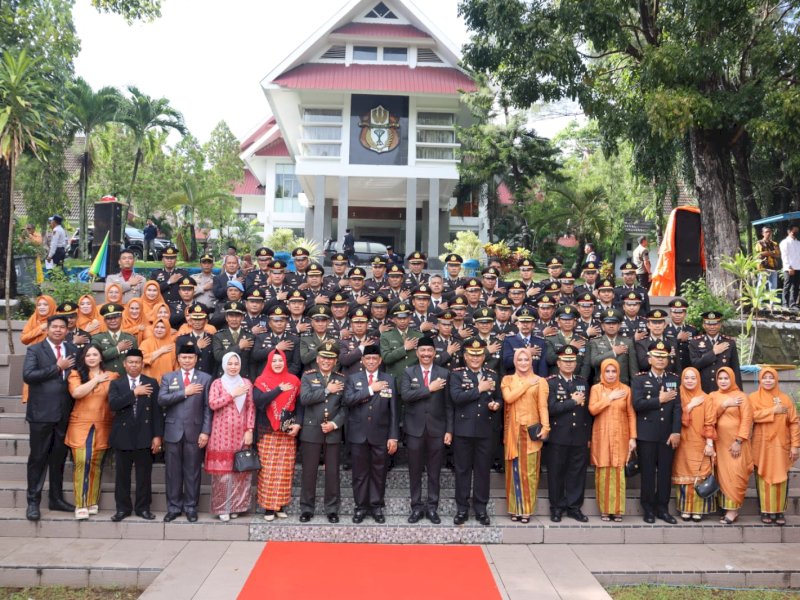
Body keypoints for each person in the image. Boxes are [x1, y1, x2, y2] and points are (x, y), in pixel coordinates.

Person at [22, 314, 77, 521]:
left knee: (58, 458)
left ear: (67, 330)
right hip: (41, 414)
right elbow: (28, 375)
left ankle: (56, 498)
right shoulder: (35, 350)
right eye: (54, 327)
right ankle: (33, 502)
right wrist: (57, 367)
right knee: (38, 458)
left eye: (62, 327)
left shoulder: (72, 349)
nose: (58, 330)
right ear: (47, 328)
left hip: (64, 413)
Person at [158, 342, 213, 523]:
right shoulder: (168, 377)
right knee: (173, 472)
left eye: (190, 357)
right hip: (173, 431)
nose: (187, 360)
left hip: (195, 431)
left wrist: (205, 431)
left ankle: (190, 507)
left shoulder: (205, 378)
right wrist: (184, 392)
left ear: (196, 359)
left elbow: (207, 408)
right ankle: (173, 507)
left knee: (193, 471)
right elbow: (162, 399)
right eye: (184, 357)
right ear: (178, 359)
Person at [343, 345, 399, 523]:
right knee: (359, 473)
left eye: (375, 358)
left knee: (379, 472)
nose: (371, 361)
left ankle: (376, 506)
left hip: (381, 434)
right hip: (358, 434)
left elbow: (394, 411)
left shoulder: (389, 379)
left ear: (380, 360)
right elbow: (348, 400)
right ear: (362, 360)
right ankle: (360, 507)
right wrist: (370, 389)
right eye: (368, 358)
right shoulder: (353, 379)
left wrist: (393, 436)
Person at [450, 338, 503, 526]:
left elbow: (499, 398)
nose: (475, 358)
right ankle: (462, 509)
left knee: (482, 472)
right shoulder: (457, 375)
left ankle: (481, 509)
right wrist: (478, 388)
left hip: (485, 430)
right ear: (465, 356)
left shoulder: (492, 375)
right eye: (472, 355)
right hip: (463, 430)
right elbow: (456, 398)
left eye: (479, 355)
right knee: (462, 470)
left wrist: (496, 404)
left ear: (484, 356)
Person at [400, 337, 452, 524]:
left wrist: (449, 430)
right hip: (414, 429)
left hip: (437, 429)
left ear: (434, 352)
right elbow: (406, 396)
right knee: (414, 470)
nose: (426, 354)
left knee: (434, 471)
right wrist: (429, 388)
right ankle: (416, 507)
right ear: (417, 352)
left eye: (429, 350)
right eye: (423, 351)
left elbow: (448, 405)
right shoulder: (408, 372)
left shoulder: (444, 373)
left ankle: (432, 507)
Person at [108, 349, 163, 521]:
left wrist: (157, 436)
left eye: (137, 362)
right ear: (125, 364)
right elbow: (113, 405)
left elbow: (157, 411)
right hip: (123, 435)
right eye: (130, 362)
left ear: (142, 364)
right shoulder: (117, 384)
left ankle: (143, 508)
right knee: (122, 476)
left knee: (144, 476)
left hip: (144, 435)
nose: (133, 365)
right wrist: (134, 393)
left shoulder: (152, 383)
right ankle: (122, 509)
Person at [66, 344, 119, 519]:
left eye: (95, 354)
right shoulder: (76, 374)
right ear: (83, 358)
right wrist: (96, 380)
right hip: (80, 424)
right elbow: (77, 393)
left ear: (101, 357)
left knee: (96, 464)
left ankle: (92, 501)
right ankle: (80, 504)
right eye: (88, 355)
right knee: (82, 462)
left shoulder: (112, 376)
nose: (91, 357)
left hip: (103, 424)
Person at [632, 341, 682, 524]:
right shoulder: (639, 379)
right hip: (647, 433)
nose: (661, 360)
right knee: (647, 474)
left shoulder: (674, 379)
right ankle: (648, 509)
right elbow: (636, 404)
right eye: (657, 357)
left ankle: (662, 508)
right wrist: (658, 399)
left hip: (667, 434)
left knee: (664, 473)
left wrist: (676, 431)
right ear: (649, 358)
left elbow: (678, 408)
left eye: (664, 357)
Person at [298, 341, 347, 523]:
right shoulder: (308, 377)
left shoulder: (342, 379)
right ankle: (307, 508)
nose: (327, 361)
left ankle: (332, 509)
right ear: (317, 359)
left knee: (332, 472)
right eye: (324, 358)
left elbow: (345, 407)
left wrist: (335, 424)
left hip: (332, 431)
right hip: (311, 430)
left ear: (335, 361)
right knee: (309, 472)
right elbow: (305, 399)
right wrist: (327, 390)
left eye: (331, 358)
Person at [205, 353, 255, 521]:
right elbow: (213, 404)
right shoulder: (217, 383)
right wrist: (232, 394)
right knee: (223, 475)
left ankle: (236, 506)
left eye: (236, 364)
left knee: (239, 473)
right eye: (230, 364)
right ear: (224, 365)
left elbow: (251, 407)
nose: (233, 367)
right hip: (221, 435)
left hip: (240, 434)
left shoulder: (246, 383)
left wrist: (250, 430)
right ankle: (222, 508)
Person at [500, 347, 547, 524]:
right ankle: (514, 509)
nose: (523, 363)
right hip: (513, 431)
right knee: (513, 472)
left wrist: (546, 426)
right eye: (519, 360)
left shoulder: (541, 381)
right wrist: (527, 383)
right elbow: (509, 398)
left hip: (531, 431)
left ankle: (526, 510)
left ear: (531, 361)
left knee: (530, 472)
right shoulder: (507, 379)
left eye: (526, 359)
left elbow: (542, 406)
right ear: (514, 362)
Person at [253, 349, 301, 521]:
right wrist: (278, 389)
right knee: (268, 471)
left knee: (284, 471)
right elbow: (258, 402)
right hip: (268, 432)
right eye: (274, 361)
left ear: (285, 362)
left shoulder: (294, 380)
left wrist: (298, 424)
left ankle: (280, 505)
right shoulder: (261, 380)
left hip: (287, 432)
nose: (278, 364)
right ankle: (268, 508)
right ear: (269, 362)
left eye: (280, 361)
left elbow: (300, 405)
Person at [748, 367, 800, 525]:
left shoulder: (785, 399)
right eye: (765, 378)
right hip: (762, 446)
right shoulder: (753, 398)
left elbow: (794, 423)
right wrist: (773, 411)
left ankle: (779, 511)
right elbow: (751, 416)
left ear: (776, 379)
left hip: (781, 446)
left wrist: (795, 445)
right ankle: (765, 511)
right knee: (763, 478)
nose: (768, 381)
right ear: (760, 380)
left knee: (781, 478)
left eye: (771, 377)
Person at [545, 346, 591, 523]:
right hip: (558, 434)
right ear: (558, 363)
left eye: (572, 361)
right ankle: (556, 507)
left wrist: (587, 436)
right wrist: (573, 401)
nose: (569, 364)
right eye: (565, 361)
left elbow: (586, 412)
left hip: (579, 434)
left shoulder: (582, 382)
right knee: (556, 472)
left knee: (577, 473)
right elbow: (551, 408)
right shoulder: (551, 383)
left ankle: (574, 507)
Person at [588, 359, 636, 522]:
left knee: (618, 472)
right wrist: (610, 397)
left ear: (618, 372)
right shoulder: (596, 389)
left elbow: (631, 414)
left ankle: (617, 510)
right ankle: (604, 509)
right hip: (602, 435)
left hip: (621, 436)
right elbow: (593, 409)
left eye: (613, 371)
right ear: (602, 372)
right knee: (603, 472)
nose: (610, 374)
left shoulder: (626, 389)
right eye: (607, 371)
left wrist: (633, 437)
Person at [708, 367, 754, 524]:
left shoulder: (742, 397)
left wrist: (739, 441)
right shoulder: (713, 396)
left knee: (735, 475)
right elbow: (708, 418)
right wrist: (724, 405)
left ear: (732, 379)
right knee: (723, 475)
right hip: (718, 444)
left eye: (726, 378)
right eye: (720, 378)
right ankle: (727, 508)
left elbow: (747, 420)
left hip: (736, 445)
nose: (723, 381)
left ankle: (733, 511)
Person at [671, 367, 717, 522]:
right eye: (686, 378)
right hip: (682, 443)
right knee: (685, 477)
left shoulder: (706, 398)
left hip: (700, 443)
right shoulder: (678, 395)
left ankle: (698, 510)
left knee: (700, 475)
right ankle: (685, 509)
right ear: (682, 379)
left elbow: (709, 422)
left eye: (693, 378)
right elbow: (676, 418)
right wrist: (690, 406)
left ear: (698, 380)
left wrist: (709, 443)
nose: (689, 381)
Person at [688, 311, 741, 392]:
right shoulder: (695, 342)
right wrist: (713, 353)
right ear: (704, 325)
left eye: (715, 324)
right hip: (702, 389)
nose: (712, 327)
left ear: (720, 325)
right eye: (709, 324)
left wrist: (738, 391)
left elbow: (735, 369)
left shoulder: (729, 343)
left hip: (723, 389)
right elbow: (695, 364)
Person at [589, 308, 638, 385]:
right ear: (602, 326)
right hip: (601, 385)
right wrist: (613, 353)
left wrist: (635, 388)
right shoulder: (595, 342)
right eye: (608, 323)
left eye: (614, 323)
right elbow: (593, 362)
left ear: (619, 326)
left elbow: (633, 369)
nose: (611, 326)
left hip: (622, 385)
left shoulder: (628, 342)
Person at [92, 303, 138, 376]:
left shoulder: (131, 339)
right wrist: (117, 349)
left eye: (116, 317)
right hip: (105, 380)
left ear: (121, 318)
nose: (113, 321)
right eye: (109, 318)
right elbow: (94, 358)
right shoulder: (97, 338)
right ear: (104, 320)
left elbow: (136, 361)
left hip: (125, 380)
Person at [780, 225, 800, 310]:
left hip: (798, 267)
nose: (796, 232)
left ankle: (793, 304)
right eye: (794, 231)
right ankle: (785, 304)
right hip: (789, 267)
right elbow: (784, 256)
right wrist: (789, 267)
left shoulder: (798, 243)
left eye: (797, 231)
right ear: (789, 231)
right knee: (787, 286)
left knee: (795, 286)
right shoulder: (785, 242)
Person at [755, 226, 781, 292]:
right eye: (766, 232)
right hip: (763, 267)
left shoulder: (774, 243)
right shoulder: (759, 243)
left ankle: (772, 302)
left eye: (770, 232)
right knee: (761, 286)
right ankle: (758, 302)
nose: (768, 233)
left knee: (773, 287)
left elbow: (778, 255)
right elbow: (760, 254)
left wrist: (768, 253)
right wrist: (772, 252)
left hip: (773, 267)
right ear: (763, 233)